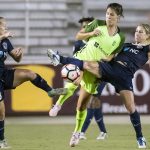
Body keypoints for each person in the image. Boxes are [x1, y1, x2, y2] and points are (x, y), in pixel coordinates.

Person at [47, 24, 150, 148]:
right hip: (110, 68)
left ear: (147, 36)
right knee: (87, 64)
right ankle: (60, 59)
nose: (137, 34)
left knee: (130, 107)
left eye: (141, 32)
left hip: (124, 76)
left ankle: (140, 137)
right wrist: (101, 59)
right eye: (136, 31)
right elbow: (110, 57)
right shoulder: (126, 45)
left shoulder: (147, 49)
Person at [48, 3, 125, 147]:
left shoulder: (120, 37)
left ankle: (77, 132)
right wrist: (91, 33)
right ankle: (58, 104)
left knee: (82, 105)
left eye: (112, 15)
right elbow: (78, 36)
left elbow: (111, 56)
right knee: (72, 85)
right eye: (107, 13)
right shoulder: (96, 24)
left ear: (118, 18)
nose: (108, 17)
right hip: (82, 60)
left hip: (95, 70)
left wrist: (107, 60)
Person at [0, 17, 67, 148]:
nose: (6, 28)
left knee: (29, 74)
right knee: (1, 112)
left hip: (3, 74)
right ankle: (1, 140)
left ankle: (50, 91)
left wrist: (19, 54)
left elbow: (16, 58)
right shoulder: (3, 38)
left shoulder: (5, 42)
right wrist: (3, 35)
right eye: (3, 25)